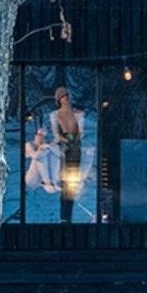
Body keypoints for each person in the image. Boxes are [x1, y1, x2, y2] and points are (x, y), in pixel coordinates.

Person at [52, 86, 86, 223]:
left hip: (75, 150)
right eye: (63, 96)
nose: (66, 98)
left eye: (67, 95)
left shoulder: (77, 114)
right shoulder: (55, 115)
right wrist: (65, 140)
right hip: (64, 151)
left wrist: (75, 141)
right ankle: (64, 216)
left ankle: (68, 215)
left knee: (73, 183)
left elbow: (81, 133)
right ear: (59, 99)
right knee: (65, 183)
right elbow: (55, 135)